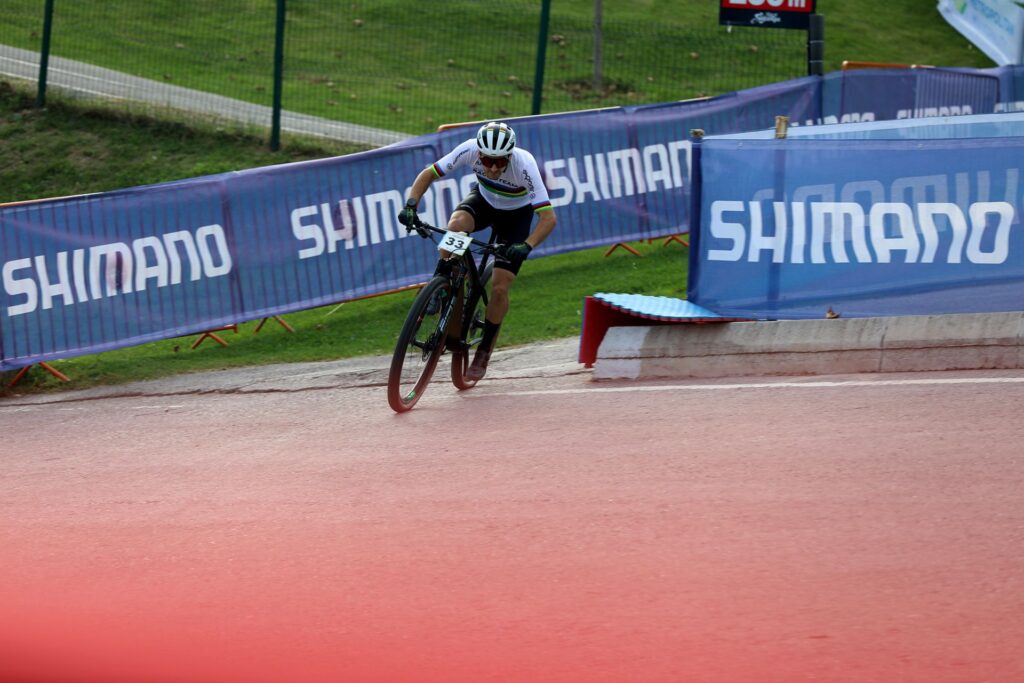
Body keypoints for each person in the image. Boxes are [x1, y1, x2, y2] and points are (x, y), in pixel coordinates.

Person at [398, 121, 557, 381]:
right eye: (487, 160)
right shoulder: (469, 149)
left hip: (516, 216)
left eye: (500, 161)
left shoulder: (524, 165)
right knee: (456, 226)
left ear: (510, 155)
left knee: (500, 286)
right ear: (479, 153)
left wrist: (526, 246)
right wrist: (411, 205)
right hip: (483, 201)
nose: (493, 167)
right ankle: (444, 280)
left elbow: (549, 218)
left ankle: (484, 350)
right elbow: (428, 174)